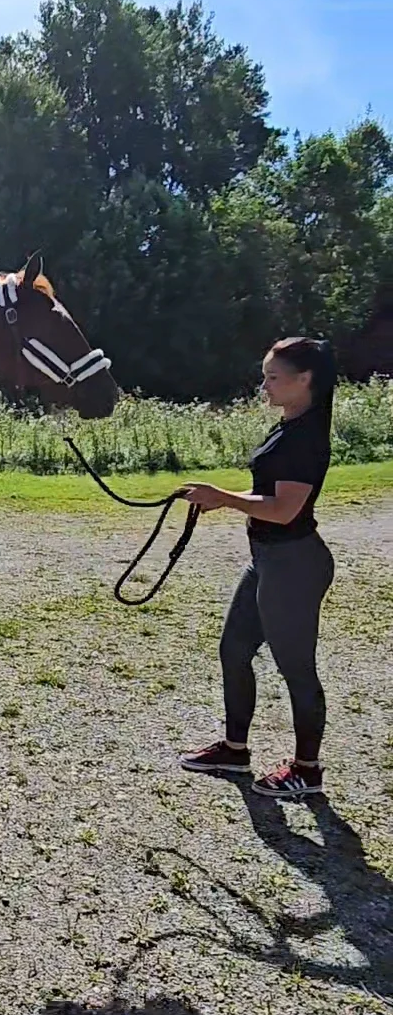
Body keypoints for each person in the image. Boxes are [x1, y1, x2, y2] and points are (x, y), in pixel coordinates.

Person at [179, 337, 337, 798]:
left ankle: (307, 769)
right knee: (234, 649)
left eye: (272, 377)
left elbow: (285, 509)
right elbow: (268, 497)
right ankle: (234, 749)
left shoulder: (305, 436)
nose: (263, 384)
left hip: (293, 563)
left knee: (297, 668)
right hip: (269, 559)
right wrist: (221, 499)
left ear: (304, 380)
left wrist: (223, 498)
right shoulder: (290, 425)